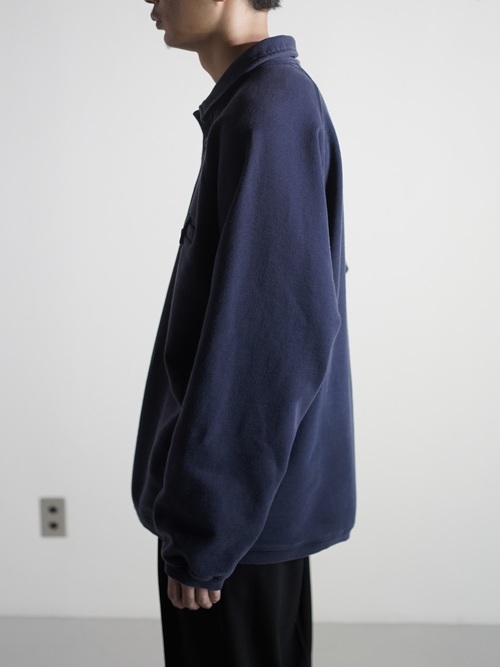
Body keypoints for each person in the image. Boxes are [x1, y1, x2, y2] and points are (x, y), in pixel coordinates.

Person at [132, 1, 356, 665]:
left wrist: (207, 530)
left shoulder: (271, 110)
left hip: (236, 531)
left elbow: (270, 345)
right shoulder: (257, 105)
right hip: (240, 520)